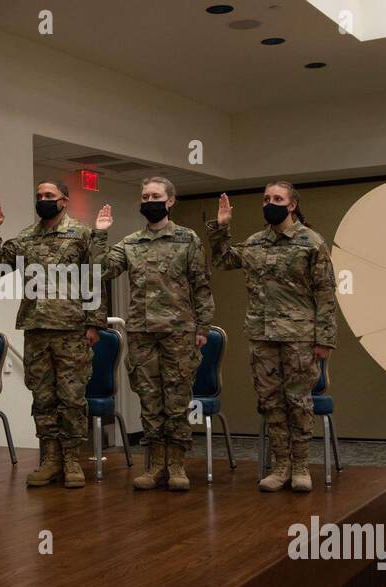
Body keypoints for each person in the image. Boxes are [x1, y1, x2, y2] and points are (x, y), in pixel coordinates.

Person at [207, 183, 336, 492]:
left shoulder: (311, 242)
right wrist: (221, 228)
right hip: (262, 336)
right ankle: (281, 465)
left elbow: (325, 293)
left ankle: (302, 465)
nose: (270, 203)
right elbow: (224, 261)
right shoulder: (255, 243)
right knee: (270, 402)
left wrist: (325, 340)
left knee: (298, 402)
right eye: (266, 199)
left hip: (299, 337)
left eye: (277, 199)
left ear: (292, 205)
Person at [0, 181, 104, 488]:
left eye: (49, 196)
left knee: (72, 398)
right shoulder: (25, 238)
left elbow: (93, 278)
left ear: (64, 201)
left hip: (72, 328)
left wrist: (94, 323)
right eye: (39, 196)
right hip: (36, 329)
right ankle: (50, 460)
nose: (43, 200)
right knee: (43, 398)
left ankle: (72, 460)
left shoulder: (81, 235)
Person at [93, 177, 213, 491]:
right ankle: (155, 464)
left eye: (156, 196)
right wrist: (99, 235)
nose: (149, 201)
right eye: (145, 196)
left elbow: (201, 285)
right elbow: (100, 270)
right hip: (142, 332)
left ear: (170, 201)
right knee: (149, 399)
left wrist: (202, 327)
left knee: (176, 400)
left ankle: (176, 465)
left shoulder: (188, 239)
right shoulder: (130, 242)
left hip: (178, 331)